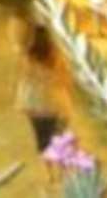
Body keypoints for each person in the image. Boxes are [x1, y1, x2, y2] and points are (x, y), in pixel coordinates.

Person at [19, 26, 73, 154]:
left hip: (35, 105)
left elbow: (25, 80)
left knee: (42, 141)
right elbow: (65, 79)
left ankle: (47, 165)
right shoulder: (57, 58)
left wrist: (22, 102)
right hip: (54, 103)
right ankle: (58, 161)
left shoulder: (28, 58)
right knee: (58, 139)